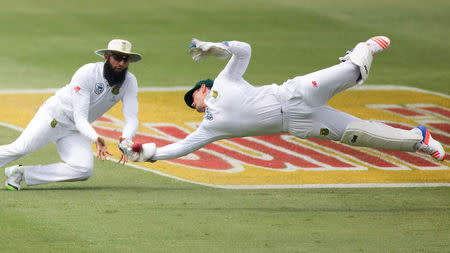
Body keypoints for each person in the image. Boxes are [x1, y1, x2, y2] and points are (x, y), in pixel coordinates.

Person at [121, 36, 446, 164]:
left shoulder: (223, 80)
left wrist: (214, 47)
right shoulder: (210, 127)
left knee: (353, 70)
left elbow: (245, 49)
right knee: (360, 134)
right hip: (300, 122)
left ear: (203, 90)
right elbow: (180, 147)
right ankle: (420, 138)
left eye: (193, 98)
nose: (194, 104)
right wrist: (146, 153)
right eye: (191, 105)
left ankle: (363, 49)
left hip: (295, 93)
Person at [2, 39, 142, 190]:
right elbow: (80, 118)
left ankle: (20, 174)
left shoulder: (130, 82)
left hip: (76, 129)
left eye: (125, 59)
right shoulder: (87, 73)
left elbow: (132, 118)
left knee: (83, 168)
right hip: (54, 117)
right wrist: (96, 138)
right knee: (20, 149)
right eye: (117, 58)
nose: (121, 63)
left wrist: (126, 140)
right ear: (106, 57)